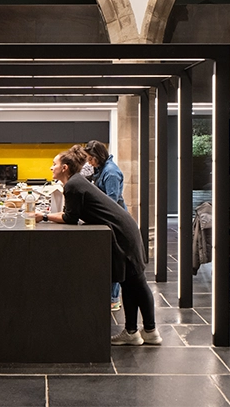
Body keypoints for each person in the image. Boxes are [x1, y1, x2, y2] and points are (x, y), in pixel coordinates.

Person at [43, 145, 162, 346]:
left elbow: (70, 217)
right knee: (129, 282)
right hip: (123, 230)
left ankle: (150, 331)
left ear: (64, 167)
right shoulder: (76, 181)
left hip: (123, 234)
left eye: (54, 164)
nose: (51, 168)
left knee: (137, 282)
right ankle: (133, 331)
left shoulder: (73, 185)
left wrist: (43, 216)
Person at [84, 140, 127, 312]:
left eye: (90, 159)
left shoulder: (111, 173)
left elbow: (112, 201)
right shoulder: (100, 168)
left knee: (114, 259)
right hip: (107, 218)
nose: (88, 162)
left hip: (114, 220)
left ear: (97, 156)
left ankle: (113, 299)